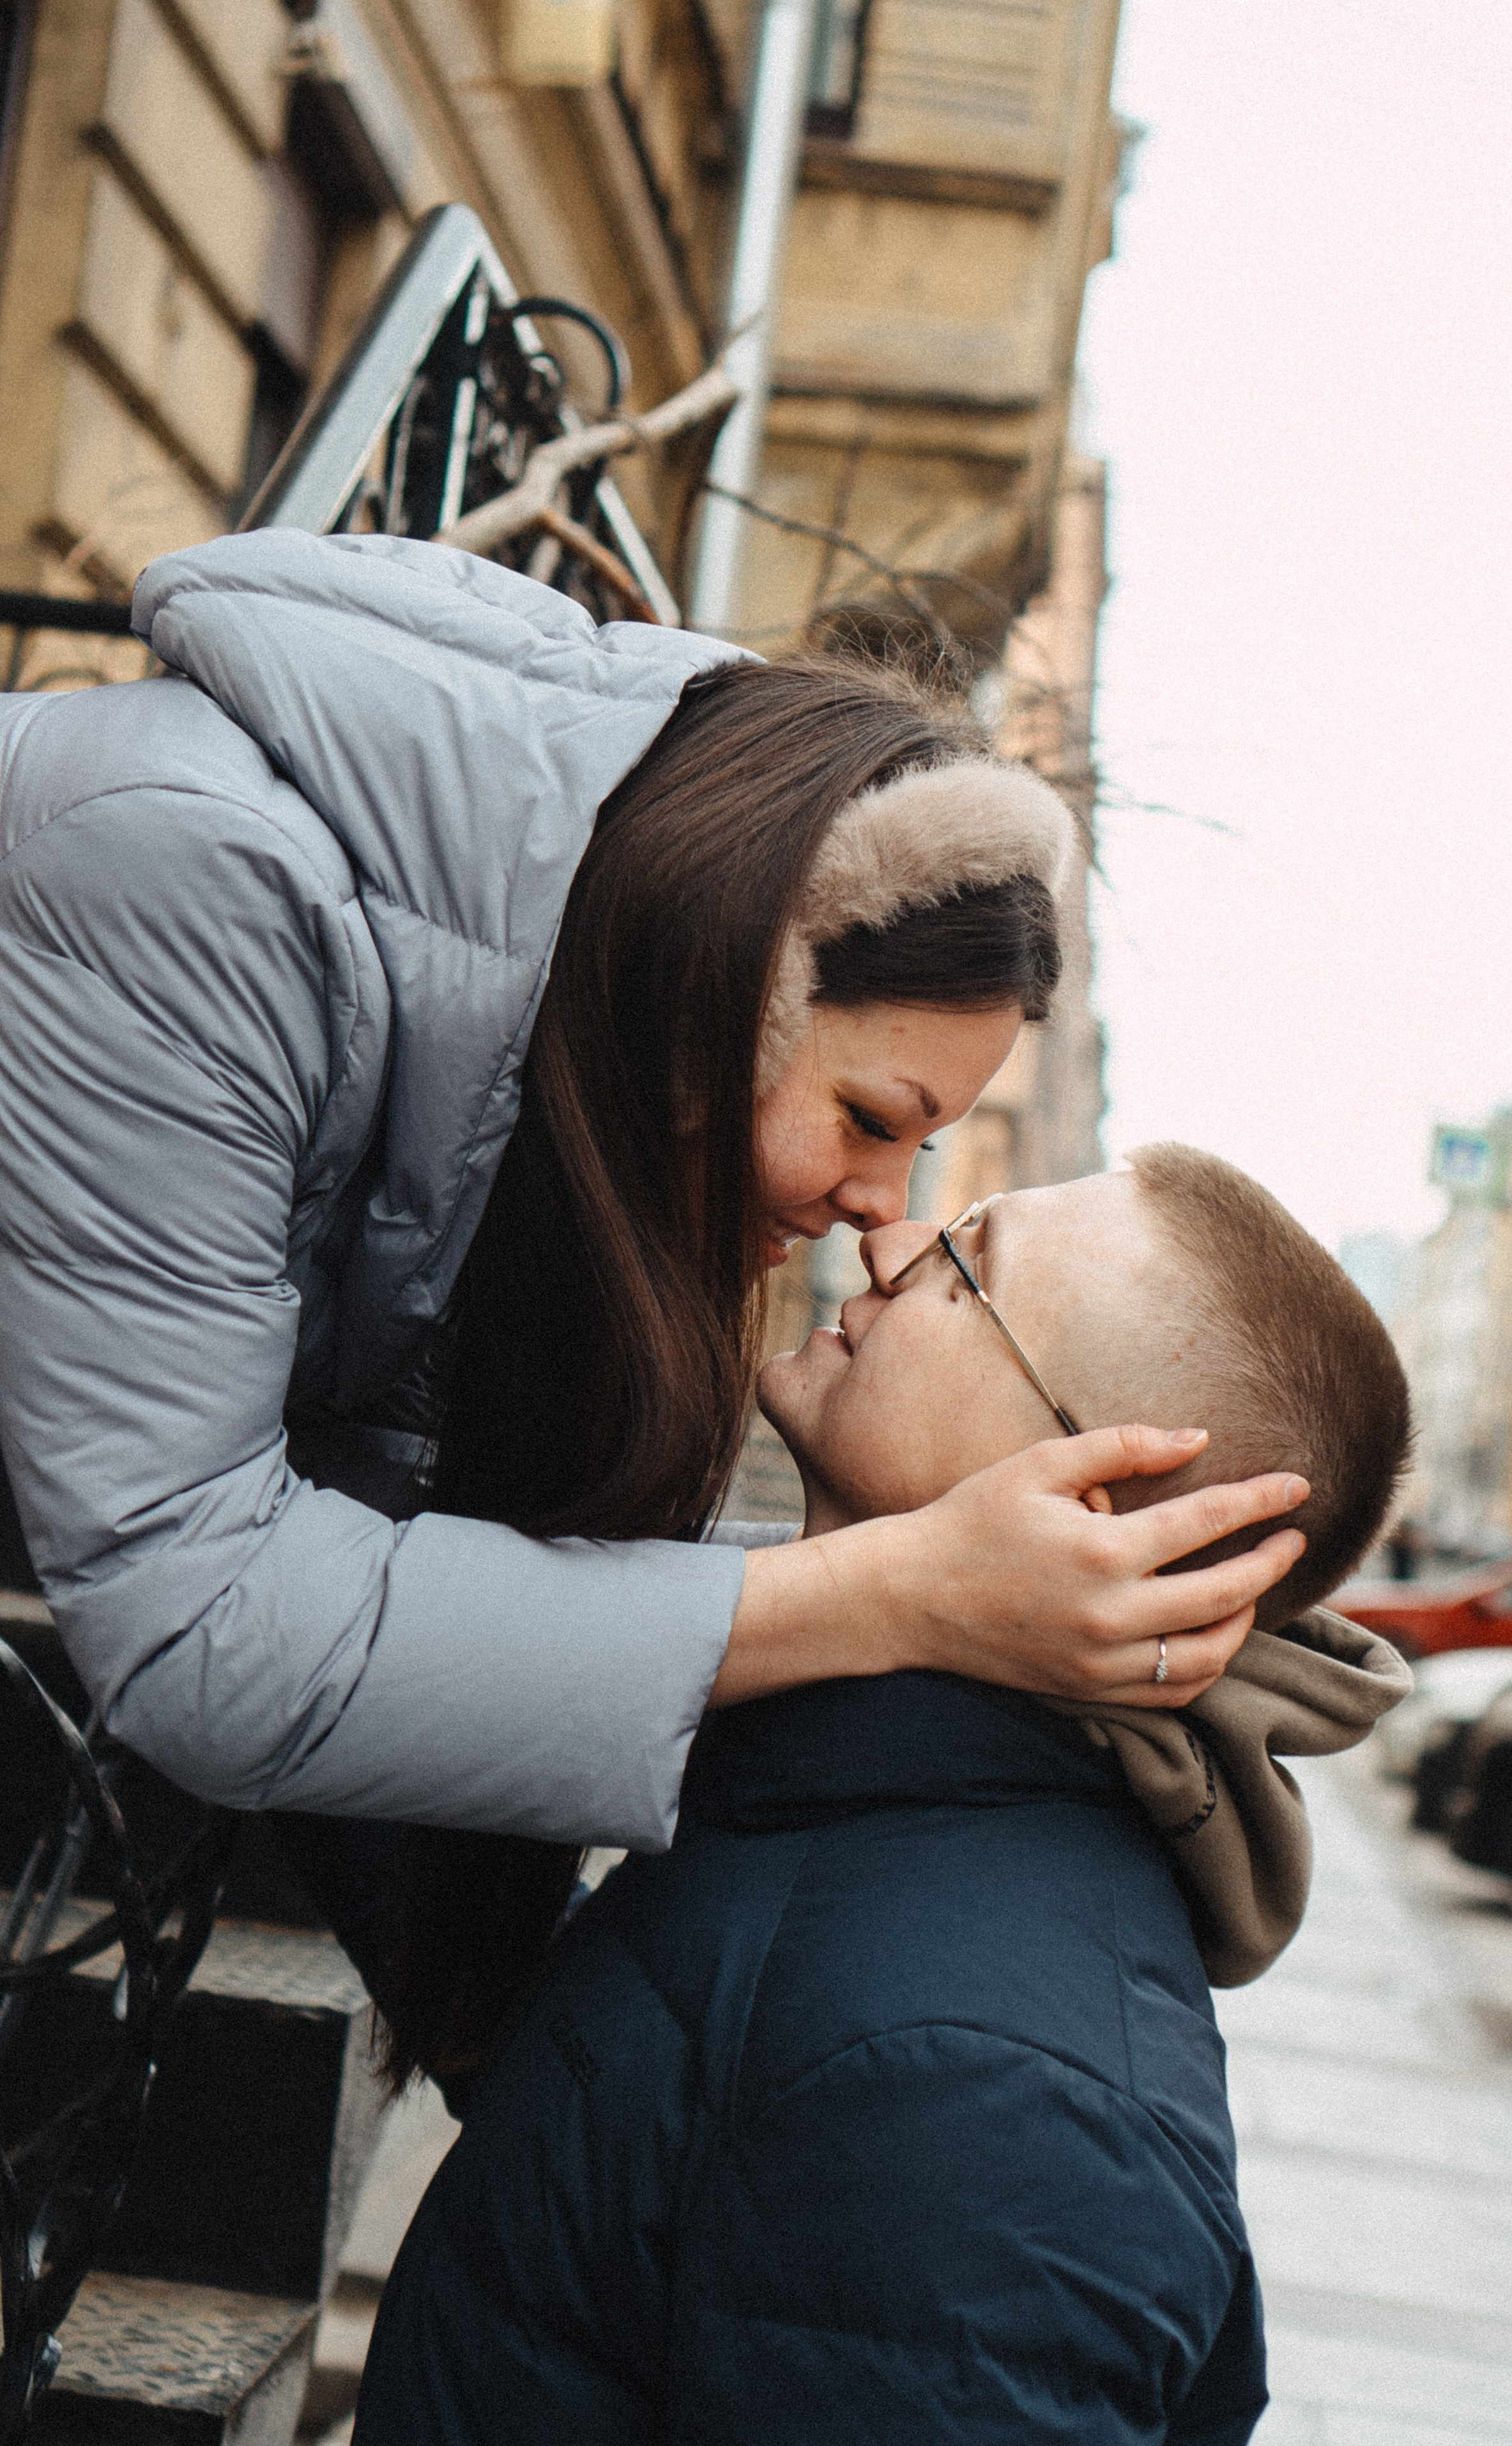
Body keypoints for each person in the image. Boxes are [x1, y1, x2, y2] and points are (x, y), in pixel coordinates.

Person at [0, 530, 1308, 2001]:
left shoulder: (503, 1051)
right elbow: (201, 1629)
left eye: (922, 1155)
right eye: (870, 1120)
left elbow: (379, 1542)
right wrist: (892, 1594)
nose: (882, 1215)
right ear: (720, 982)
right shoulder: (192, 879)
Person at [354, 1147, 1412, 2444]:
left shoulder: (989, 2102)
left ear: (1091, 1513)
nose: (886, 1244)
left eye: (966, 1264)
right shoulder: (836, 1798)